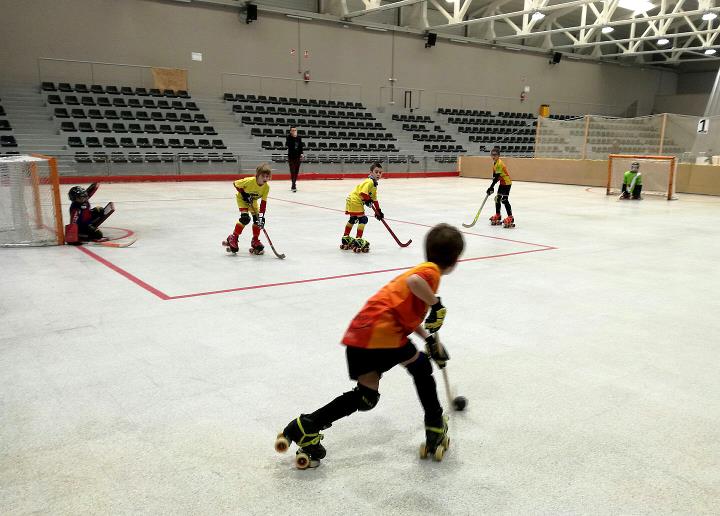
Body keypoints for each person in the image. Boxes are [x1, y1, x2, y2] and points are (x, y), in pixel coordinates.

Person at [275, 223, 465, 468]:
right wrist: (437, 305)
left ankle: (306, 426)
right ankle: (435, 426)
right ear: (455, 260)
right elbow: (416, 282)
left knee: (366, 397)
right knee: (421, 368)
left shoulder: (421, 274)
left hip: (362, 332)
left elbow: (406, 317)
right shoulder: (429, 272)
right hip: (382, 333)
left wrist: (428, 340)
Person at [223, 163, 271, 255]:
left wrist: (261, 217)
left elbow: (263, 203)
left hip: (253, 202)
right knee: (245, 219)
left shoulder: (266, 187)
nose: (265, 179)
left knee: (258, 221)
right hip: (242, 200)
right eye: (263, 176)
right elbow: (235, 183)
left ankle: (255, 240)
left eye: (267, 176)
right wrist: (244, 194)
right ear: (257, 175)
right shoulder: (249, 181)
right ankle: (233, 237)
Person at [340, 162, 384, 253]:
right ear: (371, 172)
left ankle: (346, 237)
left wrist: (378, 211)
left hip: (351, 199)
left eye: (380, 172)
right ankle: (358, 240)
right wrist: (368, 200)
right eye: (376, 172)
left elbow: (374, 199)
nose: (378, 174)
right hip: (356, 200)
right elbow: (363, 193)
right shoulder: (369, 181)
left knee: (353, 219)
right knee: (363, 219)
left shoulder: (374, 184)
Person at [486, 146, 515, 228]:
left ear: (498, 155)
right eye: (492, 155)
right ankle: (498, 214)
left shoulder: (499, 164)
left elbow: (497, 177)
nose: (493, 156)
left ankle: (510, 217)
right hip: (502, 183)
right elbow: (495, 177)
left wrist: (491, 187)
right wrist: (491, 187)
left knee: (504, 200)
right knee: (497, 199)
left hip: (507, 183)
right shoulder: (494, 163)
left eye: (495, 155)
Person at [286, 126, 304, 192]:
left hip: (297, 157)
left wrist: (302, 153)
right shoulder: (289, 137)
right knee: (292, 171)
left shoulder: (299, 138)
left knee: (296, 172)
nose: (294, 131)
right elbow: (288, 145)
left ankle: (294, 183)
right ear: (290, 131)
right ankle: (293, 185)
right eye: (293, 130)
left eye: (295, 130)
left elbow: (300, 146)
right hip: (291, 157)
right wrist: (294, 137)